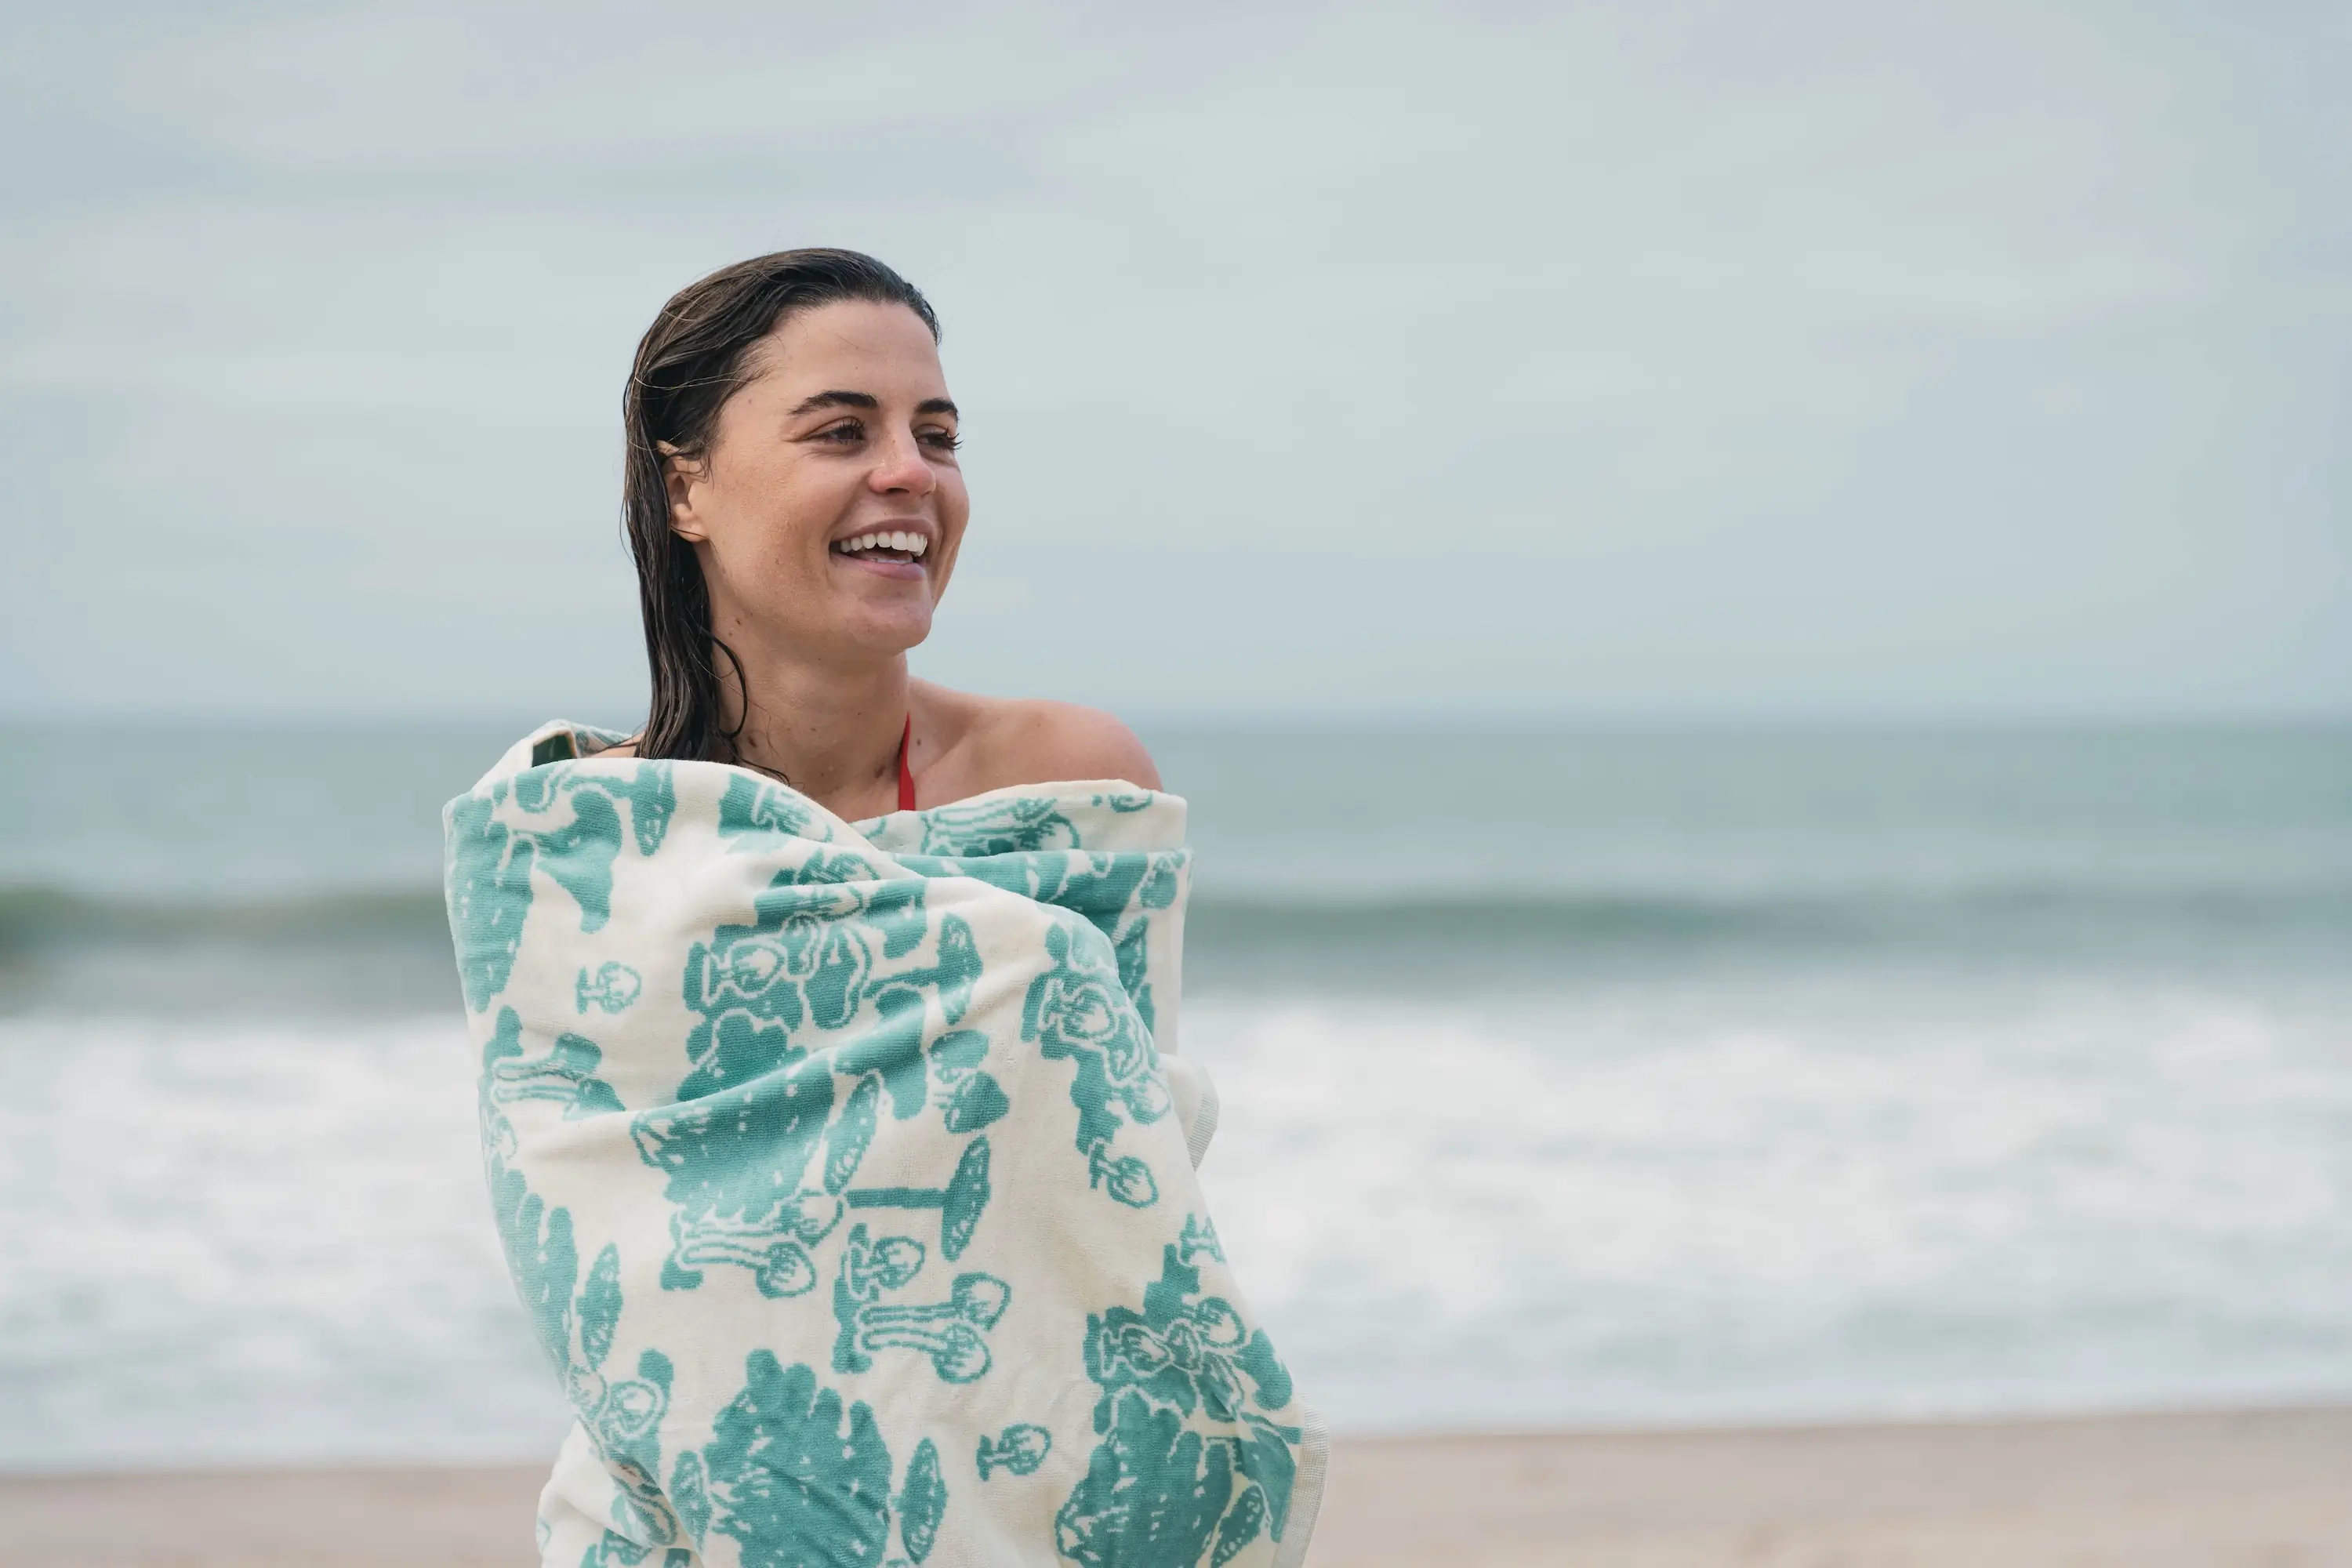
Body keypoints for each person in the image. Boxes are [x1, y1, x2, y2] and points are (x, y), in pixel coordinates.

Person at [593, 247, 1160, 817]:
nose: (913, 472)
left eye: (936, 436)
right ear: (684, 495)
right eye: (842, 431)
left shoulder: (1069, 785)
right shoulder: (581, 833)